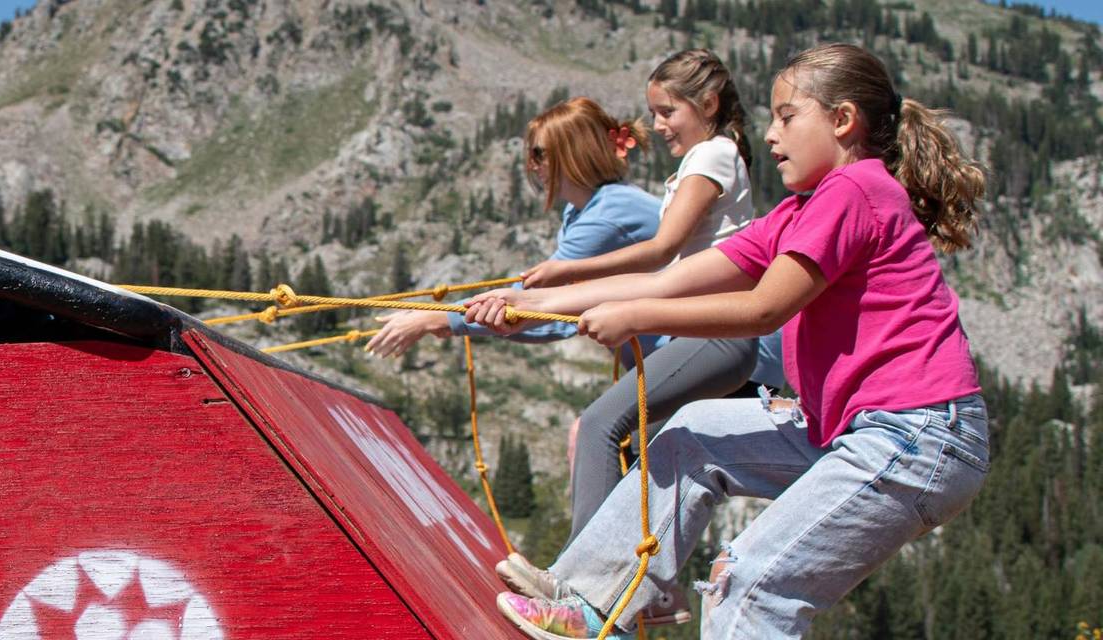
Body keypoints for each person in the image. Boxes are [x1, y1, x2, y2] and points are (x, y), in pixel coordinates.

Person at [471, 43, 989, 638]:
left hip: (914, 436)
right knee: (692, 436)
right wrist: (529, 305)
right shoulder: (799, 214)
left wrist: (631, 316)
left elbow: (763, 308)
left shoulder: (856, 191)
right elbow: (669, 280)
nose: (770, 136)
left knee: (752, 582)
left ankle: (597, 607)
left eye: (787, 118)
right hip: (862, 431)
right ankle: (593, 604)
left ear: (843, 120)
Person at [492, 50, 781, 629]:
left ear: (706, 105)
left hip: (715, 335)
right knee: (644, 453)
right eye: (652, 113)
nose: (656, 126)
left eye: (666, 111)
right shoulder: (704, 159)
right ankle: (632, 590)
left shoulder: (714, 156)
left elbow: (660, 252)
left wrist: (565, 277)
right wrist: (554, 290)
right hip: (707, 332)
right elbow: (662, 272)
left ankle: (578, 589)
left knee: (602, 426)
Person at [365, 97, 660, 356]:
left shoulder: (605, 216)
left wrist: (436, 319)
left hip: (670, 349)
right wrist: (449, 323)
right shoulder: (586, 210)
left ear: (572, 153)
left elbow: (531, 300)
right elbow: (554, 313)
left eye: (539, 154)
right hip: (654, 355)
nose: (533, 166)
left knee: (597, 424)